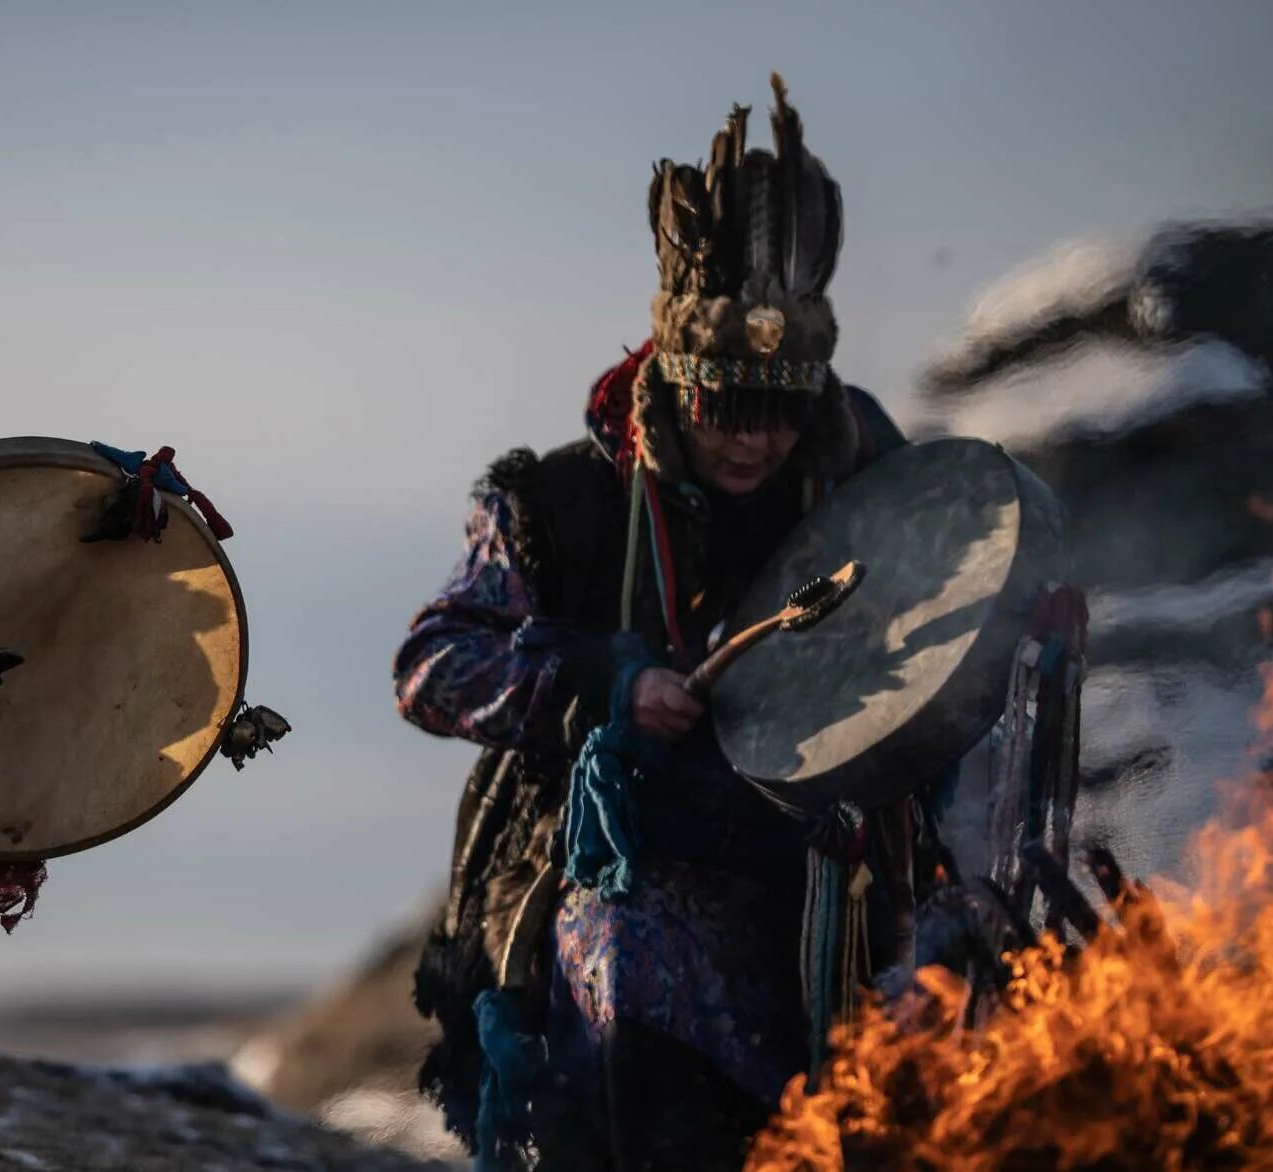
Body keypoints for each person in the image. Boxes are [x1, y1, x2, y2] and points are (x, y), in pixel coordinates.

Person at [397, 77, 907, 1170]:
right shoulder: (553, 504)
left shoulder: (866, 476)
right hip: (605, 860)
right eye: (726, 407)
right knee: (628, 1000)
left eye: (779, 411)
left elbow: (956, 583)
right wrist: (598, 682)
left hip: (818, 862)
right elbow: (431, 666)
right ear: (673, 383)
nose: (753, 443)